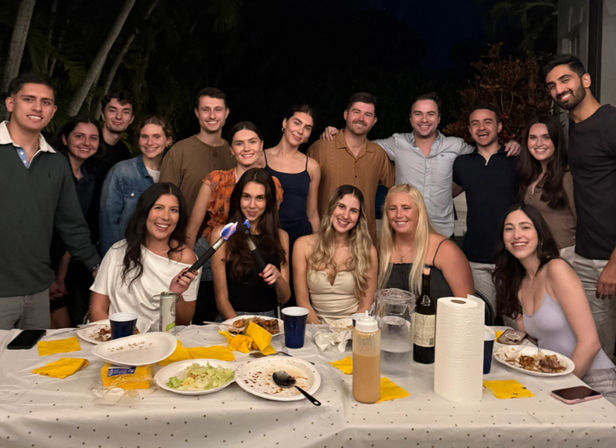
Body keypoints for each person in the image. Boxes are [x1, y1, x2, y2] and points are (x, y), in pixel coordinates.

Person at [321, 92, 520, 237]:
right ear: (410, 118)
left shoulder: (456, 146)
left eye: (430, 114)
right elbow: (360, 143)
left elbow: (485, 154)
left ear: (439, 118)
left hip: (442, 233)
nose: (424, 119)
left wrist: (510, 145)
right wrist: (336, 132)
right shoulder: (396, 143)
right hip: (404, 231)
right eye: (418, 114)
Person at [0, 73, 100, 329]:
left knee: (31, 367)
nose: (37, 107)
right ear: (11, 103)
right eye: (29, 99)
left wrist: (96, 267)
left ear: (53, 110)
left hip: (37, 294)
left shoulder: (56, 163)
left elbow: (72, 224)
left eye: (45, 102)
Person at [493, 204, 615, 401]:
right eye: (509, 228)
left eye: (525, 227)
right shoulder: (518, 281)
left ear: (540, 234)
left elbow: (590, 344)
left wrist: (559, 389)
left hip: (593, 383)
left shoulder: (556, 269)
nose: (517, 235)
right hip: (553, 378)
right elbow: (532, 343)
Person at [543, 54, 616, 359]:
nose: (559, 89)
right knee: (598, 357)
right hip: (587, 258)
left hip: (610, 259)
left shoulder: (610, 123)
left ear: (585, 80)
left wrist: (614, 262)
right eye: (551, 86)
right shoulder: (572, 129)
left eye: (565, 80)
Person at [186, 122, 283, 323]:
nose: (246, 148)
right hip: (217, 252)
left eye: (252, 142)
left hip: (249, 259)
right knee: (212, 308)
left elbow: (267, 228)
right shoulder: (215, 179)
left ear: (261, 145)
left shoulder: (271, 184)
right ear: (231, 149)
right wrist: (186, 267)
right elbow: (192, 229)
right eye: (239, 143)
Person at [90, 183, 200, 329]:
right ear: (145, 211)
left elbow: (183, 322)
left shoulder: (186, 258)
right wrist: (115, 341)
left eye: (173, 210)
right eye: (158, 208)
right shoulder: (118, 251)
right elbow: (98, 308)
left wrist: (176, 296)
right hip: (117, 340)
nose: (166, 217)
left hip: (161, 344)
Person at [452, 104, 518, 312]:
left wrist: (521, 145)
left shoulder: (516, 159)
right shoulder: (462, 164)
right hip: (475, 257)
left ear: (499, 126)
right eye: (475, 123)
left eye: (487, 122)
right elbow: (446, 193)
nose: (481, 128)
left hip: (511, 256)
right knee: (482, 319)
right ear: (470, 130)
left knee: (513, 319)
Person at [308, 92, 394, 243]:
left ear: (374, 121)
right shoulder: (321, 148)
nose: (361, 118)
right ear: (346, 114)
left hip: (364, 242)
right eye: (356, 112)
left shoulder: (378, 154)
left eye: (367, 115)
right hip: (325, 240)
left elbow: (395, 189)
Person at [211, 168, 290, 319]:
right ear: (238, 198)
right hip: (232, 318)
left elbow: (284, 298)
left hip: (270, 320)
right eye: (246, 197)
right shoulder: (222, 234)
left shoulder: (281, 236)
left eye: (260, 198)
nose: (252, 205)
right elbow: (221, 300)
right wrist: (240, 329)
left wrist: (278, 277)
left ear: (268, 201)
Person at [293, 185, 378, 324]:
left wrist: (346, 334)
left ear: (359, 217)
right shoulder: (302, 246)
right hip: (314, 328)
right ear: (331, 207)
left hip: (353, 329)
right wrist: (321, 333)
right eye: (341, 206)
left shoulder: (368, 251)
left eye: (353, 211)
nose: (345, 216)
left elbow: (365, 306)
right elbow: (303, 303)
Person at [49, 116, 101, 327]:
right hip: (37, 263)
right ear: (64, 139)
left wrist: (60, 275)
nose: (86, 143)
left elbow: (75, 230)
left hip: (65, 262)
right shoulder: (51, 171)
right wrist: (48, 276)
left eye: (93, 138)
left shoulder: (89, 179)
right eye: (79, 136)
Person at [377, 184, 473, 298]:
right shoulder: (382, 247)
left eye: (406, 208)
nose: (399, 215)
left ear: (419, 211)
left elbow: (467, 305)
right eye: (392, 209)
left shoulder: (446, 250)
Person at [99, 116, 173, 255]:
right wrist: (109, 261)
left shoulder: (173, 174)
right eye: (144, 137)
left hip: (159, 256)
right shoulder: (121, 171)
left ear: (168, 140)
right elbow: (108, 222)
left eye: (156, 136)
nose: (150, 142)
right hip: (125, 254)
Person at [159, 87, 235, 215]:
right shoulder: (179, 151)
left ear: (226, 113)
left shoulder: (235, 153)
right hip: (184, 232)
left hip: (224, 233)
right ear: (197, 113)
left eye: (218, 110)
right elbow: (164, 199)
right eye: (205, 110)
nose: (212, 116)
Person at [518, 115, 575, 261]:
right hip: (539, 253)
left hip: (565, 254)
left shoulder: (567, 174)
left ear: (556, 141)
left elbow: (584, 219)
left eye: (546, 137)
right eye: (532, 137)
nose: (538, 143)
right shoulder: (531, 174)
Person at [264, 104, 320, 248]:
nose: (300, 131)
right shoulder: (260, 159)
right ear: (285, 123)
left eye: (307, 128)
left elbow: (312, 213)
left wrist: (319, 245)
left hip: (301, 238)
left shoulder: (312, 166)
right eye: (297, 123)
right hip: (267, 235)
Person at [86, 91, 136, 248]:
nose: (118, 117)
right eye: (112, 110)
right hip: (76, 227)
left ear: (131, 119)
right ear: (102, 114)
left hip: (102, 231)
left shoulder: (124, 153)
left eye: (125, 112)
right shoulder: (87, 144)